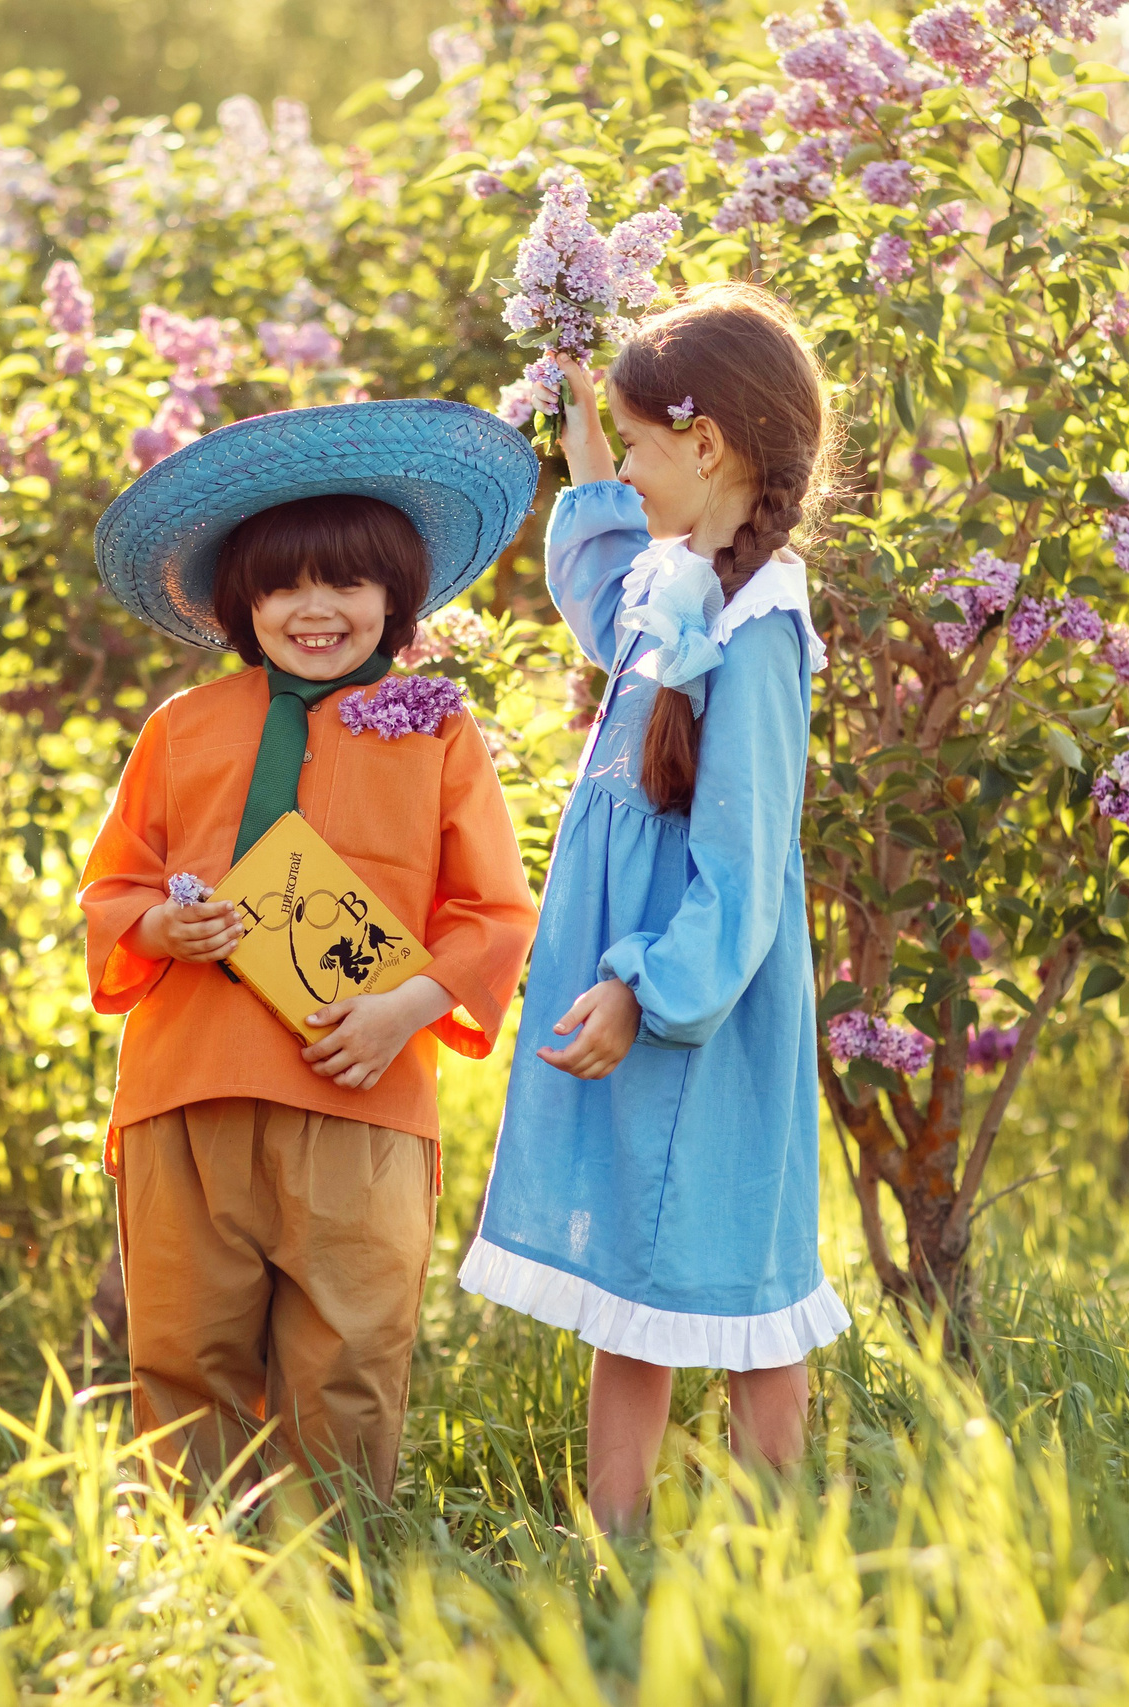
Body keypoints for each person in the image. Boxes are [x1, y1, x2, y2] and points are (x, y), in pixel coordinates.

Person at [81, 399, 543, 1501]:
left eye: (345, 582)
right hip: (188, 1087)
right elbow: (113, 884)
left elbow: (492, 911)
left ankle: (329, 1581)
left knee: (348, 1355)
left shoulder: (432, 727)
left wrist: (404, 1009)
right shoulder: (182, 729)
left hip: (360, 1084)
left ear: (396, 598)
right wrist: (159, 925)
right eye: (283, 584)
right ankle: (194, 1585)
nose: (314, 608)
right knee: (183, 1350)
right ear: (241, 601)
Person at [456, 283, 849, 1531]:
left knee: (737, 1275)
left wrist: (647, 985)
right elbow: (604, 598)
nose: (625, 467)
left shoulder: (760, 622)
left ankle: (775, 1547)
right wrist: (590, 466)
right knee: (635, 1268)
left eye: (636, 445)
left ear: (707, 446)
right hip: (637, 983)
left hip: (701, 997)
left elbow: (741, 865)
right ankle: (614, 1547)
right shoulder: (677, 581)